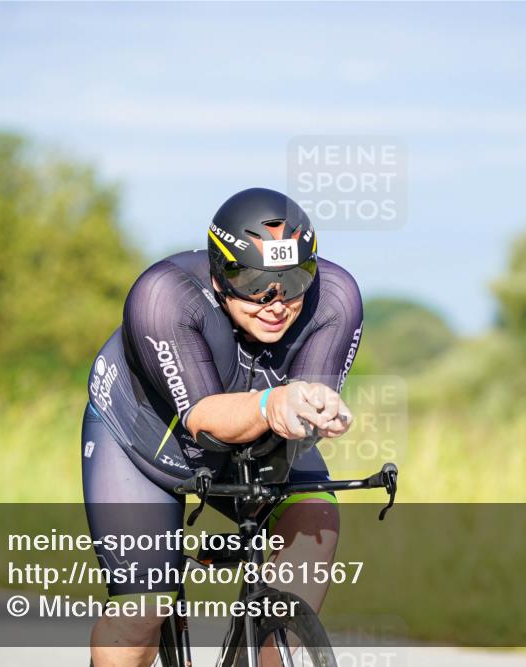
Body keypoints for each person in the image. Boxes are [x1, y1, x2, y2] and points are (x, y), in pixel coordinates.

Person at [81, 187, 363, 666]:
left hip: (258, 438)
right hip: (145, 442)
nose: (276, 302)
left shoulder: (335, 298)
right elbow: (205, 419)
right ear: (219, 275)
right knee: (142, 612)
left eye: (294, 279)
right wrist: (273, 403)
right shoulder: (164, 295)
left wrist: (318, 409)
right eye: (255, 282)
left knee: (317, 517)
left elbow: (300, 410)